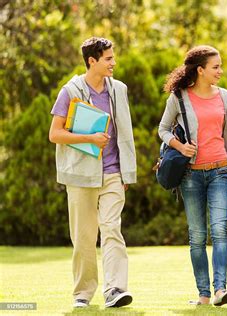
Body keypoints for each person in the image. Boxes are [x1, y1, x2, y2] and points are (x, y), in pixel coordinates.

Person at [49, 37, 136, 308]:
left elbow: (126, 132)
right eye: (108, 59)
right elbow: (55, 134)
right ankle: (83, 294)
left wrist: (126, 172)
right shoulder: (70, 91)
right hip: (81, 176)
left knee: (112, 229)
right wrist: (89, 140)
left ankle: (115, 290)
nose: (114, 63)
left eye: (113, 57)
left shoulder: (118, 90)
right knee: (84, 236)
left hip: (112, 173)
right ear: (92, 61)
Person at [158, 45, 227, 306]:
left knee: (219, 231)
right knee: (196, 236)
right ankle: (204, 294)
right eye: (215, 67)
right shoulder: (179, 97)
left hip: (220, 171)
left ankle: (220, 290)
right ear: (200, 69)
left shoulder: (225, 96)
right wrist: (180, 146)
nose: (220, 71)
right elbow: (162, 129)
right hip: (191, 175)